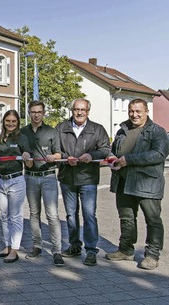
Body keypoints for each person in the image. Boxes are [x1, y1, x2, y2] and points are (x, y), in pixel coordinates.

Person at [105, 99, 169, 270]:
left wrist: (130, 160)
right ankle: (125, 250)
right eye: (131, 111)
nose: (134, 115)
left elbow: (159, 154)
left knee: (152, 220)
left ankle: (152, 255)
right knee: (126, 218)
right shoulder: (122, 130)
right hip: (123, 183)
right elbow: (113, 150)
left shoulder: (157, 132)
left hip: (147, 183)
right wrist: (111, 158)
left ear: (147, 111)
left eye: (138, 111)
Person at [56, 98, 110, 266]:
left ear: (88, 111)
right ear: (72, 110)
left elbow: (106, 149)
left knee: (89, 215)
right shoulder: (61, 127)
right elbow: (55, 150)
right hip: (67, 178)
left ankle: (91, 250)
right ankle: (74, 245)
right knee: (71, 215)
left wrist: (91, 155)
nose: (79, 113)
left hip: (88, 178)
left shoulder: (97, 129)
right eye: (76, 109)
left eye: (83, 110)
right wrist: (66, 158)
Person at [20, 101, 65, 266]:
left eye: (39, 112)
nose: (36, 115)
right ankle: (37, 246)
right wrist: (23, 156)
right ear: (29, 113)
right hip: (30, 176)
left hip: (48, 176)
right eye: (33, 112)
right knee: (33, 213)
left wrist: (55, 157)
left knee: (52, 215)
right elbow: (19, 153)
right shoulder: (23, 132)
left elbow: (60, 153)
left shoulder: (51, 131)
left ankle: (57, 251)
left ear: (43, 113)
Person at [0, 110, 31, 264]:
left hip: (16, 180)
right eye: (8, 121)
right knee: (4, 215)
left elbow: (29, 162)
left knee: (15, 216)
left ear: (18, 123)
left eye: (14, 121)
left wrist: (27, 158)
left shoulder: (22, 138)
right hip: (0, 180)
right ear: (4, 121)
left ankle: (14, 249)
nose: (11, 124)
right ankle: (7, 246)